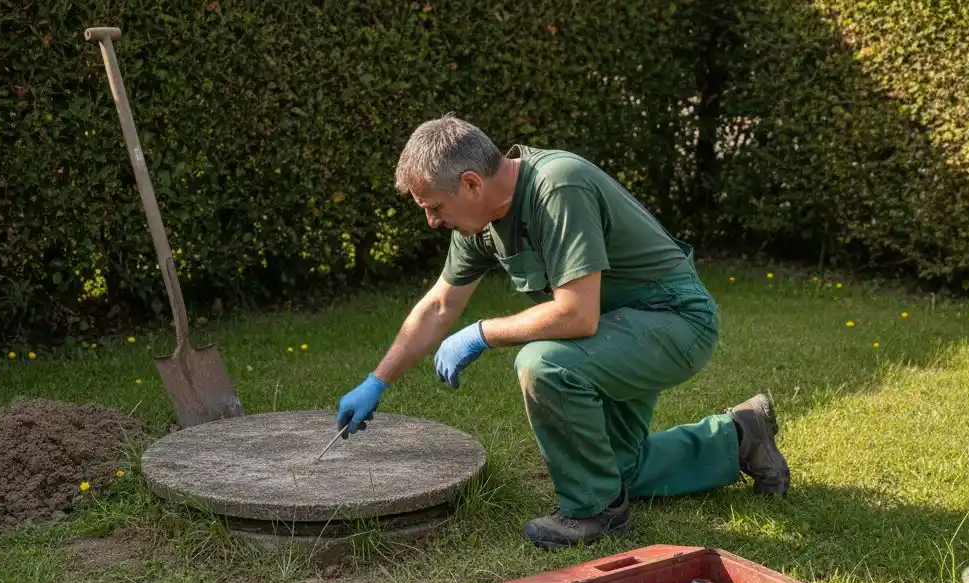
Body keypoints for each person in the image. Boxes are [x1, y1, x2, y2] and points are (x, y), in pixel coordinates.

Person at [335, 115, 789, 550]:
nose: (432, 221)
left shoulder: (558, 186)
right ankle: (739, 436)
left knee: (543, 363)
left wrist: (482, 332)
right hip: (617, 333)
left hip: (674, 321)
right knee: (616, 469)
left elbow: (577, 316)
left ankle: (594, 512)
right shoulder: (480, 224)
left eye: (435, 207)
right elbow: (439, 304)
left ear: (471, 183)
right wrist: (378, 380)